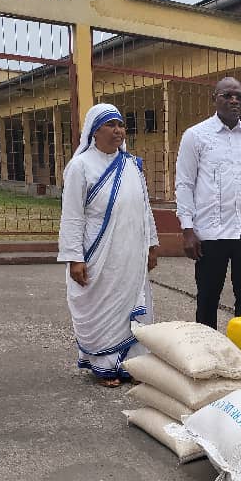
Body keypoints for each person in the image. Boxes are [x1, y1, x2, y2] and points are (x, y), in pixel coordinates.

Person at [58, 103, 158, 387]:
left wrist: (152, 244)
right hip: (98, 253)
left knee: (130, 307)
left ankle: (133, 364)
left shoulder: (131, 165)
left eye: (121, 125)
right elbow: (72, 215)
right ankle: (104, 366)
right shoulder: (80, 166)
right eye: (110, 125)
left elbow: (144, 208)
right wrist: (75, 257)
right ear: (94, 131)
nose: (118, 130)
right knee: (101, 306)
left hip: (131, 252)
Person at [174, 76, 241, 328]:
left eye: (239, 97)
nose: (234, 101)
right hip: (210, 234)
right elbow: (185, 184)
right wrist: (187, 230)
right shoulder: (196, 136)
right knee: (207, 299)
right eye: (227, 95)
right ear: (215, 99)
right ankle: (207, 349)